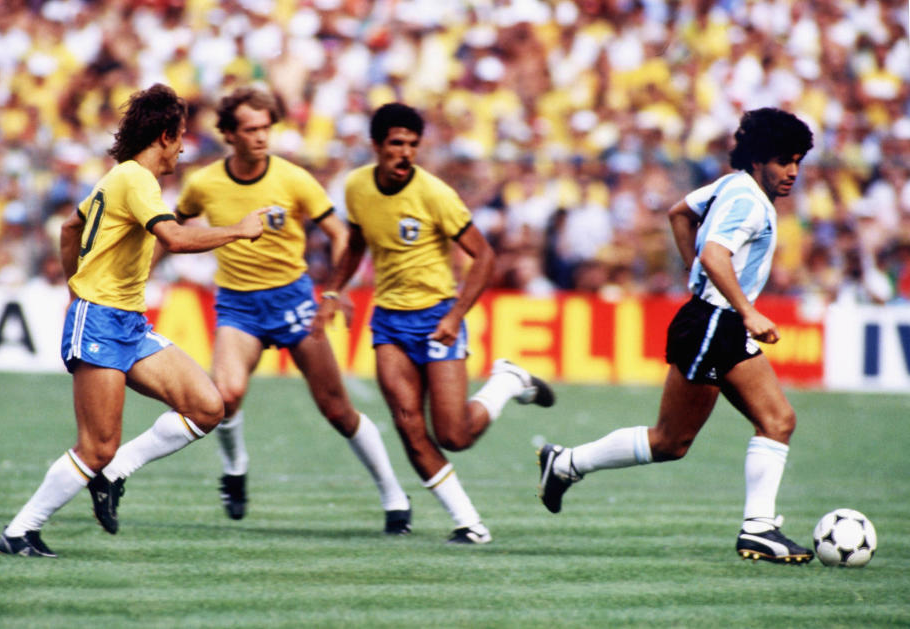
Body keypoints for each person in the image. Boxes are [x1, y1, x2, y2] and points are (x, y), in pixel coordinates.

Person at [0, 83, 268, 557]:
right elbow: (176, 240)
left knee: (207, 406)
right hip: (100, 322)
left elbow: (69, 227)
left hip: (126, 323)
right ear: (164, 135)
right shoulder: (137, 179)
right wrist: (241, 231)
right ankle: (20, 531)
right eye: (181, 136)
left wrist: (74, 282)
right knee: (96, 446)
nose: (184, 147)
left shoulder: (119, 177)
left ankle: (114, 474)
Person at [537, 108, 815, 564]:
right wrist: (746, 310)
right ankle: (566, 463)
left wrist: (696, 274)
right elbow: (714, 252)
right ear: (759, 158)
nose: (792, 172)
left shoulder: (730, 186)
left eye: (798, 162)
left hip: (717, 321)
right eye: (784, 161)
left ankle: (759, 529)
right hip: (715, 322)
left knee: (777, 420)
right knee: (671, 441)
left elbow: (679, 213)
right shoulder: (747, 199)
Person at [313, 103, 555, 544]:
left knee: (455, 434)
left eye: (412, 144)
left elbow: (484, 255)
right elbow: (357, 243)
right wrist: (334, 289)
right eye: (396, 144)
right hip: (388, 320)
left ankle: (506, 381)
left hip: (437, 317)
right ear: (376, 147)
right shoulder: (356, 187)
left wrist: (456, 315)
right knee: (407, 422)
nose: (405, 153)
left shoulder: (435, 194)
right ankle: (469, 523)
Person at [172, 86, 411, 532]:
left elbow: (340, 234)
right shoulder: (203, 183)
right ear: (229, 134)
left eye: (267, 128)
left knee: (337, 410)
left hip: (293, 301)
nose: (262, 137)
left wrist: (337, 289)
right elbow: (177, 228)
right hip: (238, 306)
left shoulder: (294, 179)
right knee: (224, 396)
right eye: (251, 129)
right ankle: (236, 467)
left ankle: (394, 497)